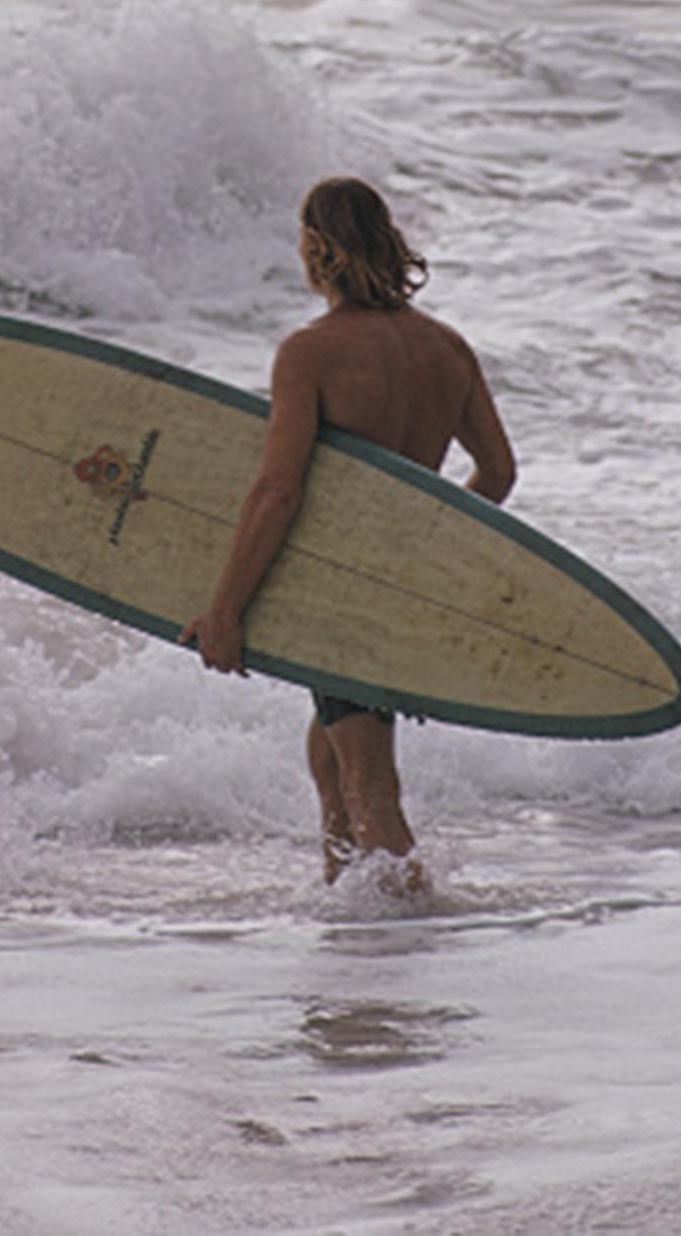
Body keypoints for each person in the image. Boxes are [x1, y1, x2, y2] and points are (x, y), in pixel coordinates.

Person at [180, 176, 516, 886]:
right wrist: (423, 550)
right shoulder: (447, 349)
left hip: (338, 590)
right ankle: (347, 907)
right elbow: (498, 473)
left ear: (317, 248)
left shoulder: (312, 352)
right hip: (396, 585)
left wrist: (225, 612)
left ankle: (403, 931)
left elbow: (277, 491)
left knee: (371, 784)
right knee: (338, 752)